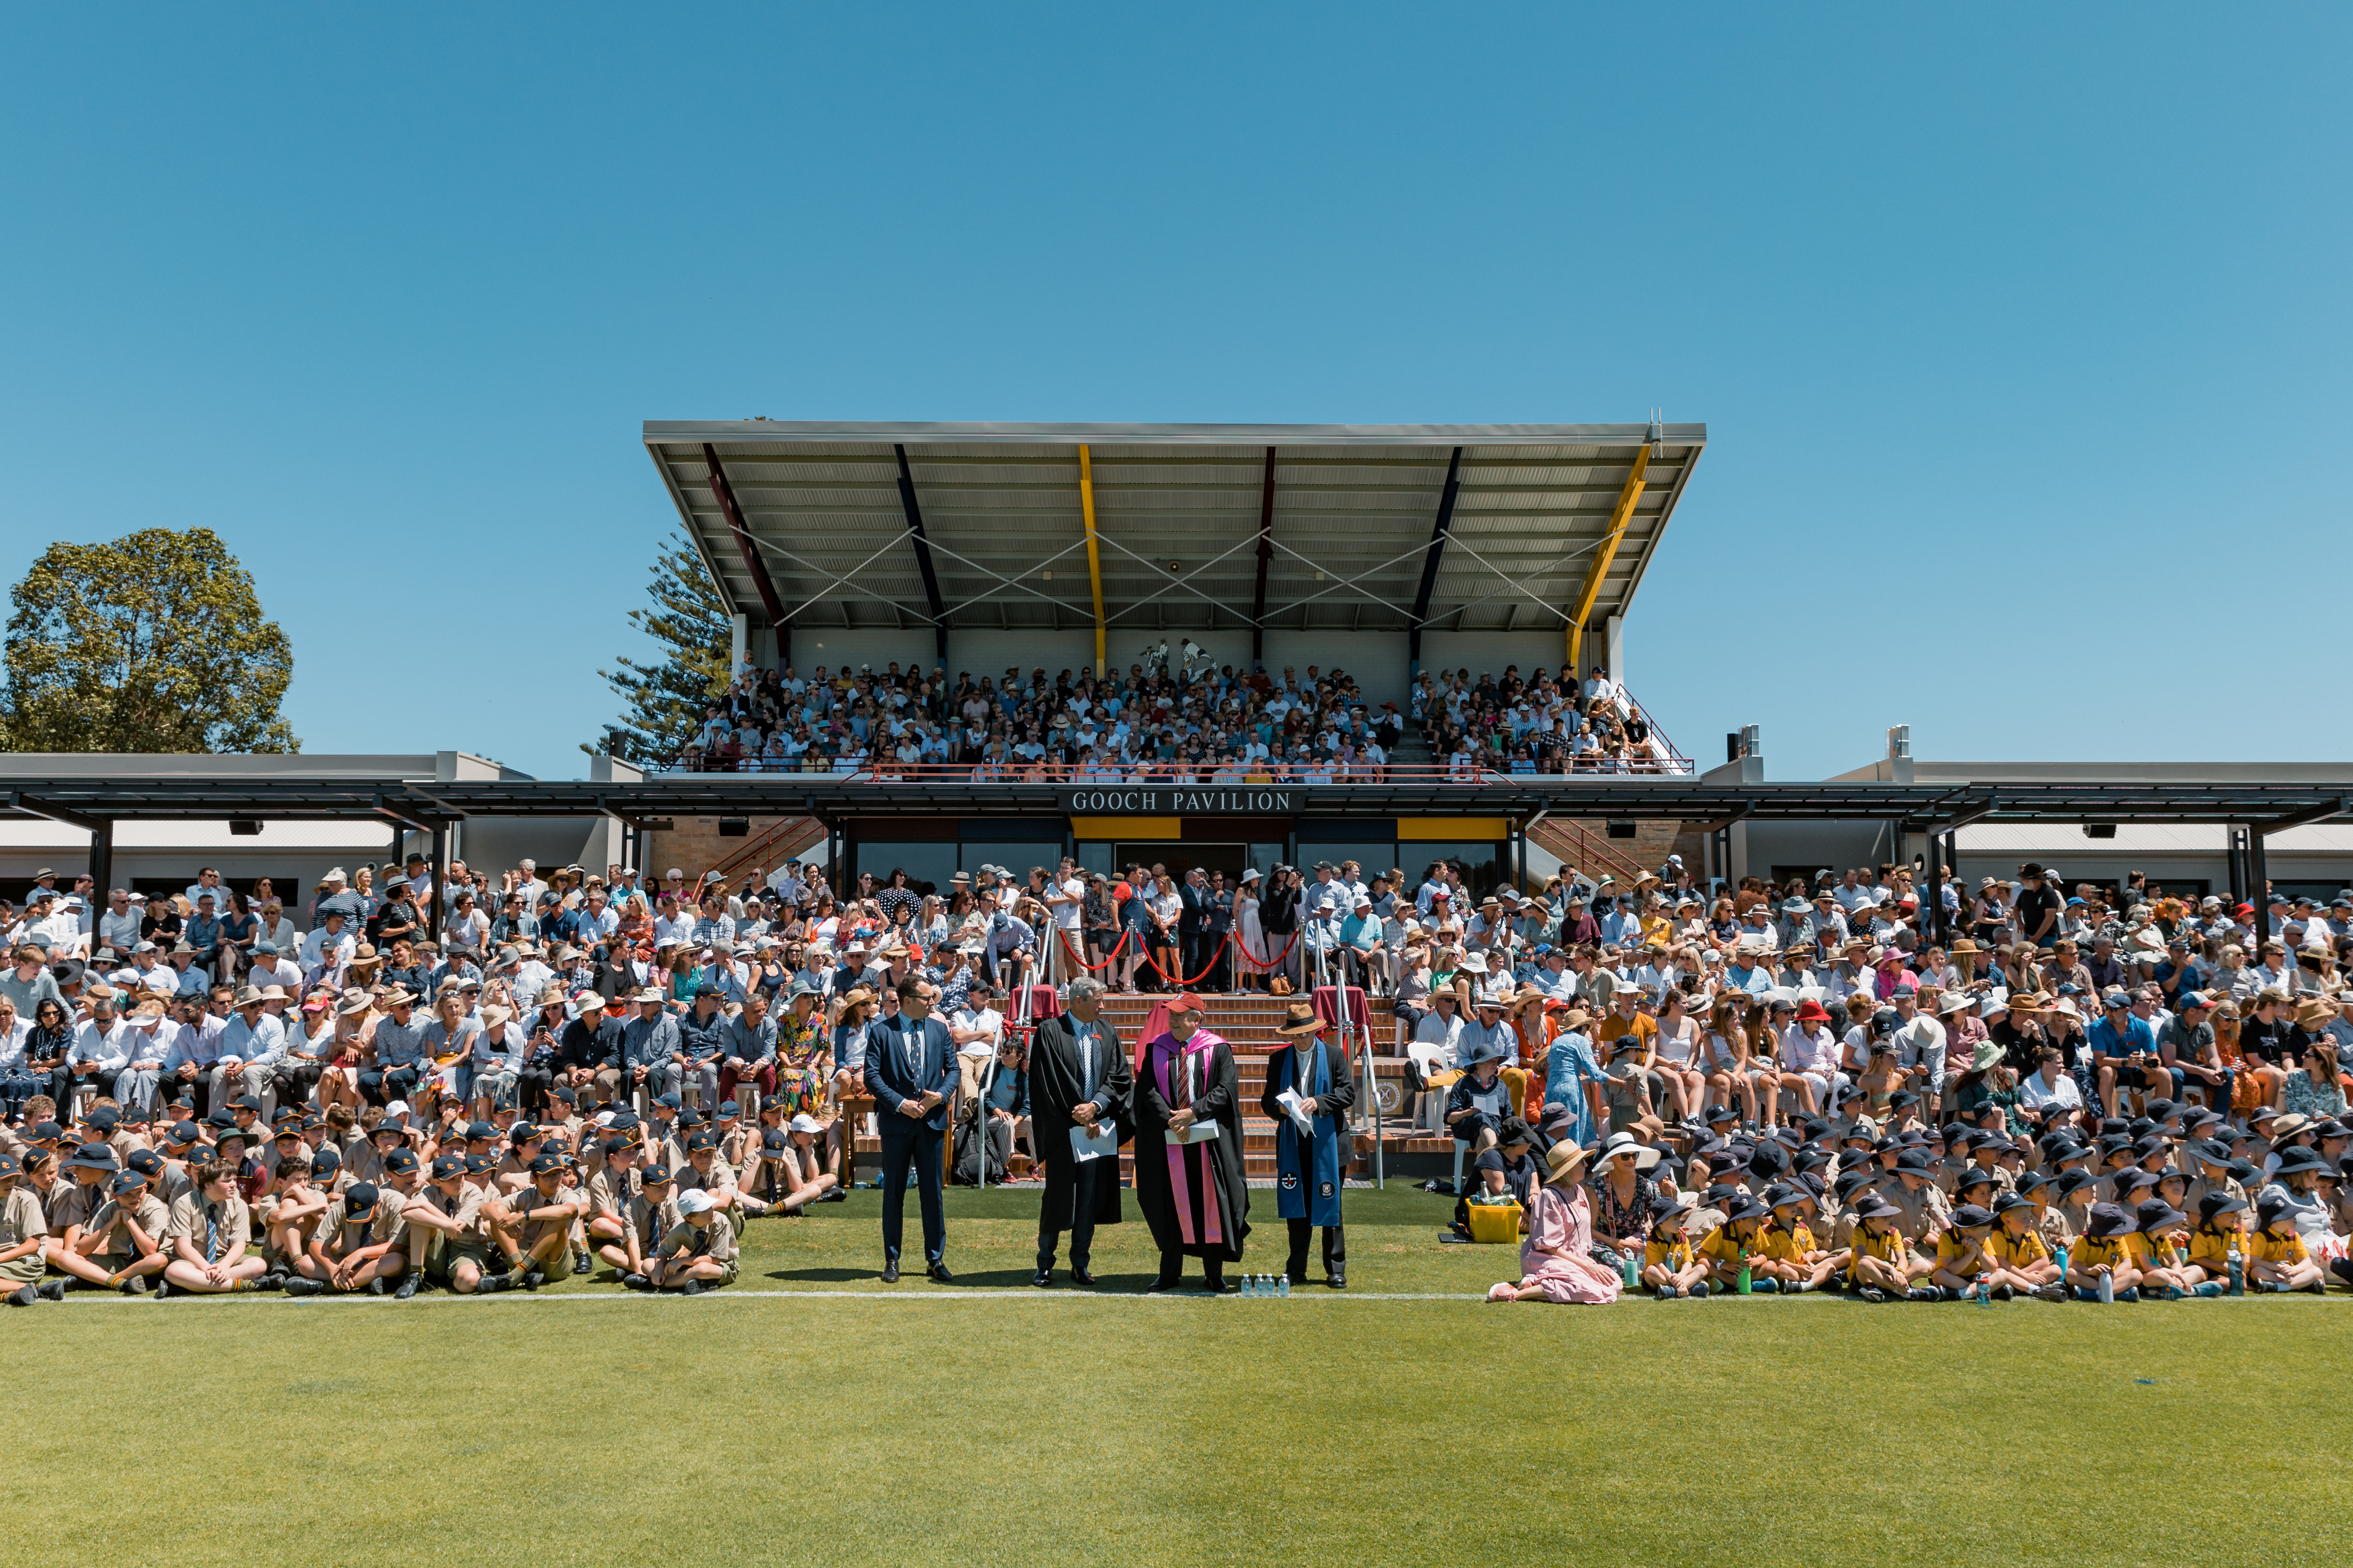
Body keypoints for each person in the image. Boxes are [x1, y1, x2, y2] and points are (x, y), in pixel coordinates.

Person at [1133, 992, 1249, 1292]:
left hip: (1208, 1142)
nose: (1172, 1020)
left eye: (1179, 1015)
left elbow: (1226, 1091)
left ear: (1197, 1019)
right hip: (1169, 1140)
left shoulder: (1218, 1049)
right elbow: (1146, 1090)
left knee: (1210, 1204)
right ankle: (1169, 1273)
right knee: (1171, 1204)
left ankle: (1214, 1273)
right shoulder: (1157, 1048)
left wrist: (1193, 1114)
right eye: (1170, 1014)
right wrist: (1171, 1119)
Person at [1026, 976, 1129, 1287]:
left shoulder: (1106, 1031)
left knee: (1088, 1198)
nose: (1103, 1005)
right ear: (1077, 1001)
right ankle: (1045, 1263)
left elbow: (1119, 1076)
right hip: (1062, 1130)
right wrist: (1079, 1112)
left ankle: (1080, 1264)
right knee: (1058, 1197)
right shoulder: (1050, 1031)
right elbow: (1050, 1081)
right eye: (1097, 1000)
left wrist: (1095, 1107)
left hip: (1096, 1131)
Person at [866, 974, 956, 1283]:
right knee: (893, 1192)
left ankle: (935, 1259)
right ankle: (892, 1260)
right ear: (907, 1001)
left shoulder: (939, 1029)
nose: (933, 1003)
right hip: (897, 1123)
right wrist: (899, 1103)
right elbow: (872, 1076)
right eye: (927, 998)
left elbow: (954, 1070)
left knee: (933, 1194)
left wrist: (941, 1096)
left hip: (931, 1123)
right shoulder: (881, 1033)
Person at [1260, 1001, 1354, 1289]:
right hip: (1293, 1142)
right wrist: (1282, 1110)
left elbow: (1348, 1093)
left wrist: (1320, 1102)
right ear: (1289, 1035)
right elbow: (1267, 1102)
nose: (1300, 1038)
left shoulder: (1336, 1056)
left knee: (1331, 1205)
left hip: (1331, 1142)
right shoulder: (1278, 1060)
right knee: (1296, 1207)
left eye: (1305, 1033)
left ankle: (1335, 1268)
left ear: (1315, 1031)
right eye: (1295, 1034)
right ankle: (1296, 1268)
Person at [1486, 1140, 1620, 1303]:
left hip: (1574, 1259)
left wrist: (1587, 1265)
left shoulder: (1580, 1190)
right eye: (1582, 1162)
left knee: (1614, 1281)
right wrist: (1587, 1267)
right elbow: (1549, 1248)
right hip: (1545, 1258)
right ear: (1570, 1169)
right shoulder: (1549, 1196)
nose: (1586, 1165)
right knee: (1586, 1287)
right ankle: (1515, 1293)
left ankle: (1536, 1283)